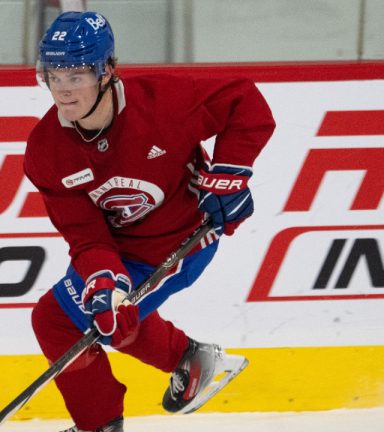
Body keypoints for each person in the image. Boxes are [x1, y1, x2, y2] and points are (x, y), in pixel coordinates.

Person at [24, 11, 276, 432]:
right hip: (121, 247)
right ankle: (185, 360)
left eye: (76, 76)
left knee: (79, 321)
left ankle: (107, 418)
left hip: (181, 237)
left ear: (106, 71)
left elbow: (243, 101)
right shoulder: (46, 150)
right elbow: (85, 235)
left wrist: (230, 174)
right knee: (82, 316)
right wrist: (106, 282)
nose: (63, 91)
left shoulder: (163, 102)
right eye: (54, 76)